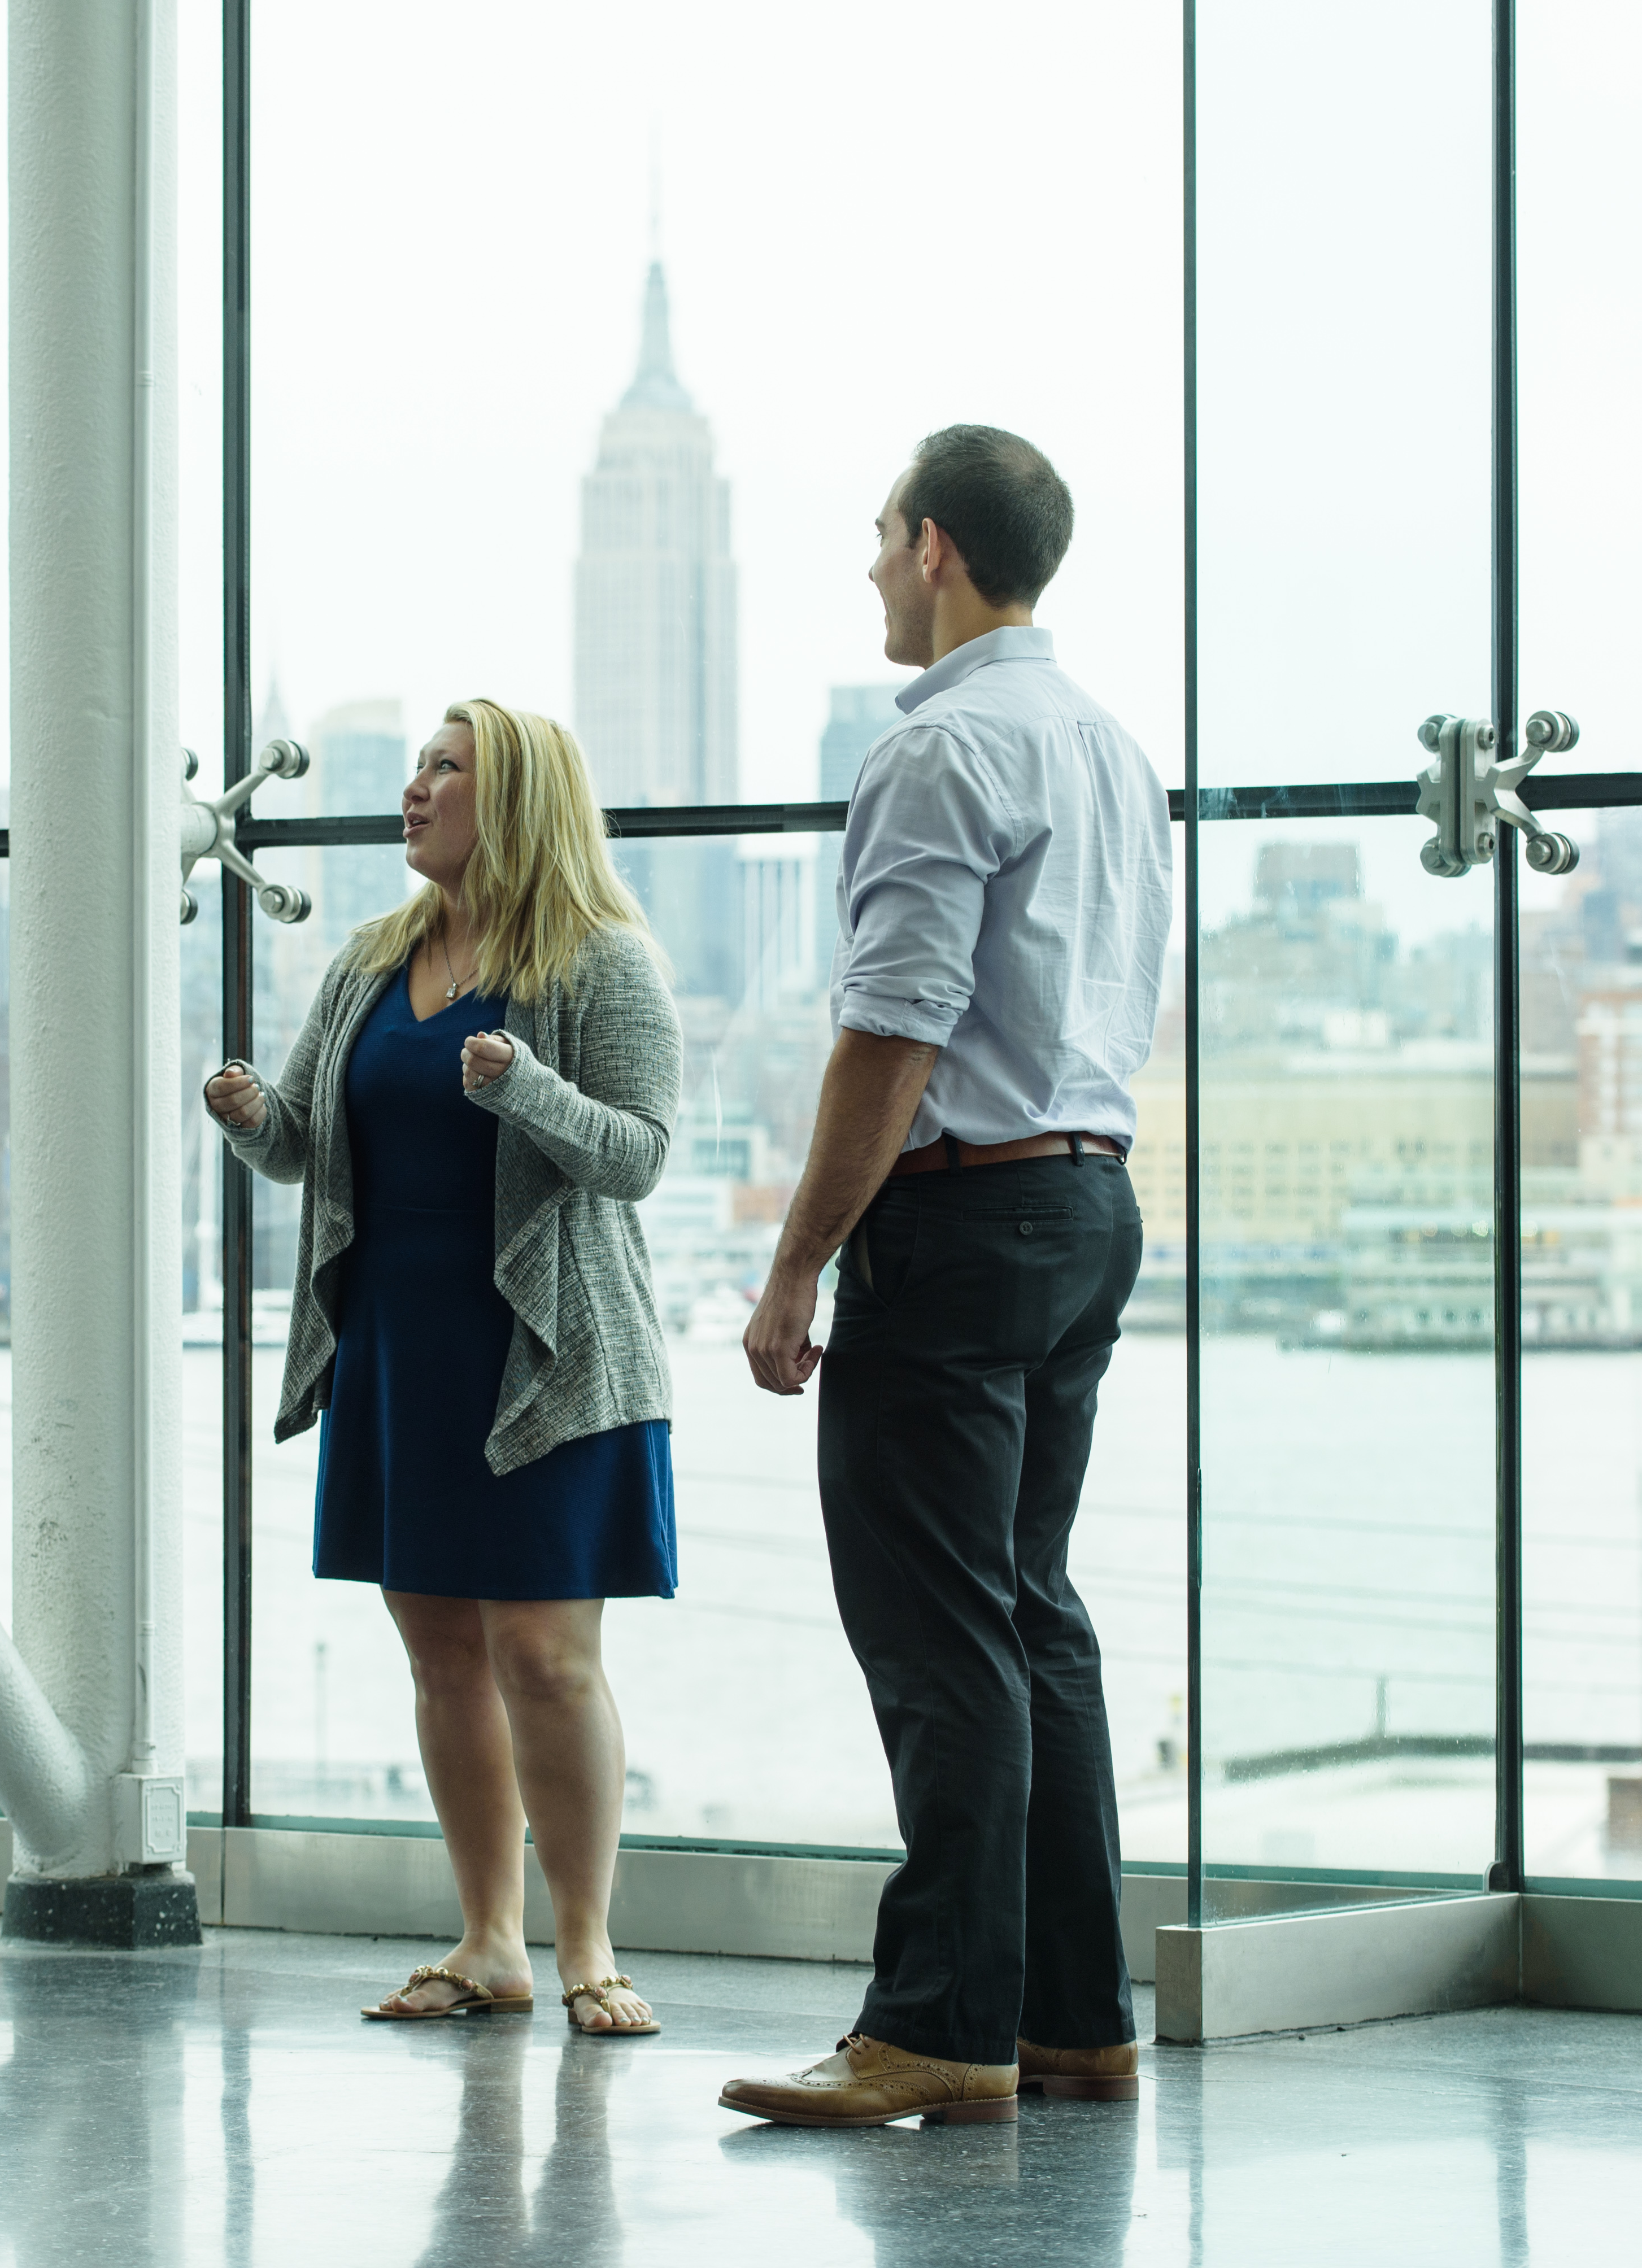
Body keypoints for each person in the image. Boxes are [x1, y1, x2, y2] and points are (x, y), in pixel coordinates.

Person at [720, 427, 1173, 2127]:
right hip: (1089, 1208)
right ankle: (1072, 2018)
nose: (867, 567)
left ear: (934, 551)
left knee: (940, 1638)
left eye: (879, 532)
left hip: (963, 1219)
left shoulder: (943, 753)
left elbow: (892, 1029)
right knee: (1032, 1615)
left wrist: (793, 1268)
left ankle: (938, 2028)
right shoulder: (1114, 751)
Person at [204, 699, 680, 2039]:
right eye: (415, 766)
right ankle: (487, 1944)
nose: (412, 790)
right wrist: (252, 1120)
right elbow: (307, 1144)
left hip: (550, 1350)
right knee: (439, 1654)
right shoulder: (371, 957)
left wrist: (522, 1086)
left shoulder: (600, 961)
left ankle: (586, 1943)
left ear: (514, 797)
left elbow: (640, 1156)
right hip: (401, 1346)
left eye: (442, 769)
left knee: (545, 1656)